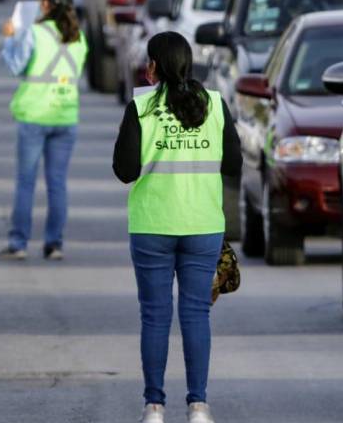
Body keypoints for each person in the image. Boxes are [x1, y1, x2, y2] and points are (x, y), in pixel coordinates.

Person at [112, 31, 242, 423]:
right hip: (202, 224)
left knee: (154, 315)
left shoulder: (141, 106)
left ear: (153, 67)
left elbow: (125, 171)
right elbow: (234, 165)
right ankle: (198, 405)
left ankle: (154, 407)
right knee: (195, 315)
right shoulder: (216, 105)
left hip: (153, 224)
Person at [0, 0, 88, 261]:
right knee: (57, 183)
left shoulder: (35, 33)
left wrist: (10, 37)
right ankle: (54, 244)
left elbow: (16, 65)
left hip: (34, 115)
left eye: (41, 1)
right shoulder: (80, 39)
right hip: (65, 117)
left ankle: (19, 243)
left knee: (26, 182)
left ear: (47, 5)